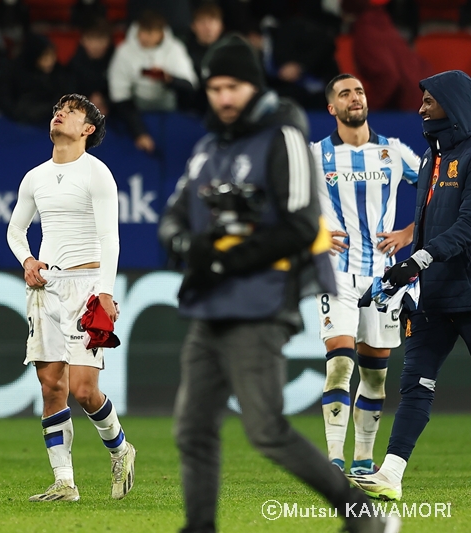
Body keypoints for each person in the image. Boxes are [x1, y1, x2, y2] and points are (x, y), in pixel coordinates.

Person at [157, 35, 400, 533]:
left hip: (261, 302)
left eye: (233, 86)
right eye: (214, 87)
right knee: (192, 429)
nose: (223, 97)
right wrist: (188, 248)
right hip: (209, 306)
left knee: (265, 429)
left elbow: (296, 224)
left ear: (253, 86)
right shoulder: (207, 147)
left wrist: (223, 261)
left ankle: (363, 516)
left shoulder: (282, 137)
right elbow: (172, 220)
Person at [6, 93, 137, 502]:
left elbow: (109, 237)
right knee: (50, 387)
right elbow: (15, 231)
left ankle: (120, 448)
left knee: (83, 389)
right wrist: (27, 259)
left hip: (87, 286)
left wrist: (106, 292)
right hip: (46, 288)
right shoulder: (35, 177)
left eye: (71, 111)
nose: (59, 113)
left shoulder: (97, 174)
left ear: (87, 129)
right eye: (58, 110)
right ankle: (64, 482)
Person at [349, 70, 471, 502]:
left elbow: (466, 228)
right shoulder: (430, 157)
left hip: (469, 293)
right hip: (434, 297)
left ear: (453, 104)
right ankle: (391, 474)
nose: (420, 108)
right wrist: (397, 280)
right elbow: (424, 232)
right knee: (414, 386)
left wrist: (416, 260)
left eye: (429, 101)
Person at [312, 73, 420, 476]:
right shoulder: (315, 155)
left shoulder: (393, 152)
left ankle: (362, 461)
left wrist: (409, 233)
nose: (354, 97)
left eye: (358, 91)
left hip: (384, 280)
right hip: (335, 275)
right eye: (344, 93)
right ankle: (334, 461)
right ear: (332, 108)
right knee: (339, 363)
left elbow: (435, 187)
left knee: (375, 378)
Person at [107, 9, 197, 154]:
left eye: (151, 32)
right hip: (136, 113)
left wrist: (169, 80)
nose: (145, 37)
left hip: (173, 113)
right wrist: (138, 132)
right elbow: (119, 96)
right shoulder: (124, 52)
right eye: (142, 31)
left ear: (161, 33)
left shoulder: (175, 49)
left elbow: (190, 87)